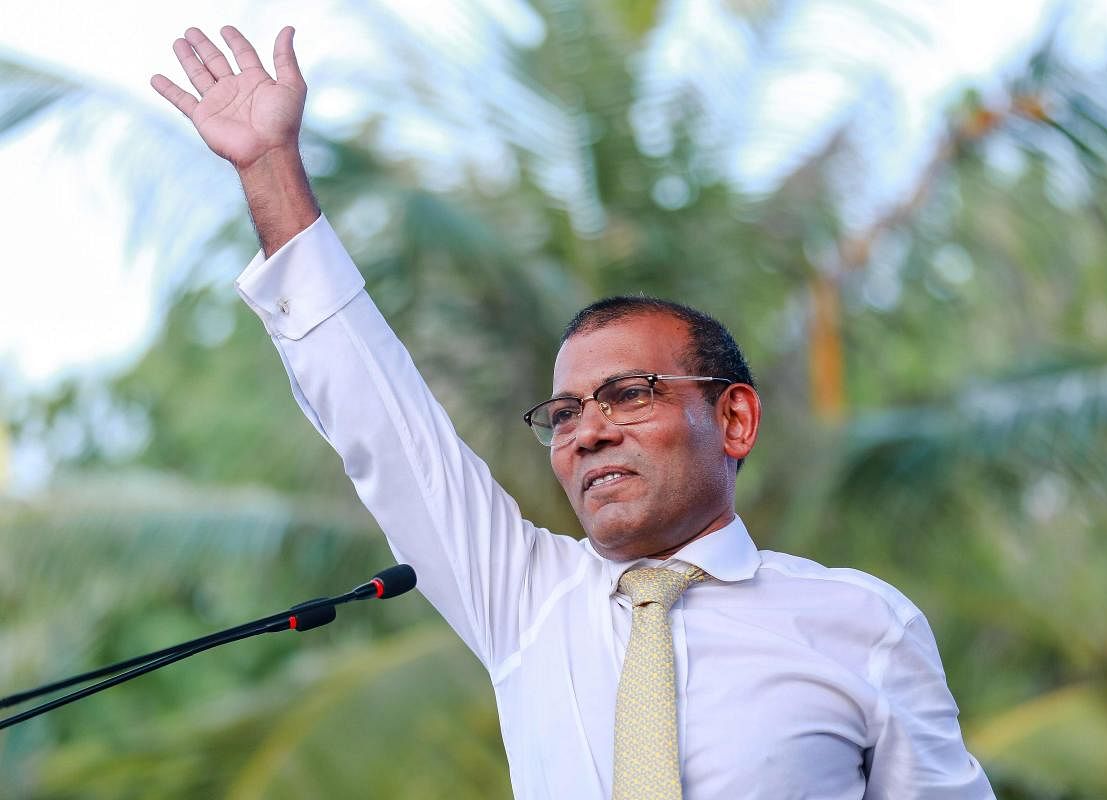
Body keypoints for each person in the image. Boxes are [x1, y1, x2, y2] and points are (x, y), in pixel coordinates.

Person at [152, 25, 995, 800]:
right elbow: (385, 423)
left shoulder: (863, 623)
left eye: (630, 394)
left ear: (735, 419)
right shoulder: (526, 598)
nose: (587, 430)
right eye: (563, 413)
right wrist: (269, 170)